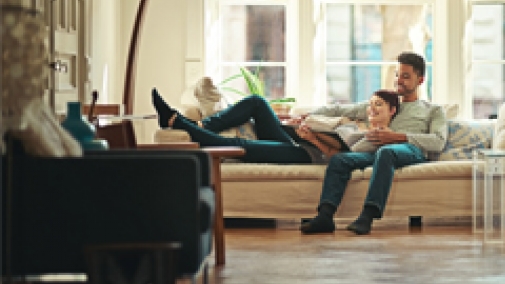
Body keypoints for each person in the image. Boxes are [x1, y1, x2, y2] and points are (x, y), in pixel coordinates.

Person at [300, 51, 448, 235]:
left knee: (386, 152)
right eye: (397, 74)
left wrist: (397, 137)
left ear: (421, 80)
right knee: (340, 160)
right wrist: (307, 115)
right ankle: (325, 216)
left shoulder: (432, 110)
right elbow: (339, 109)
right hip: (375, 153)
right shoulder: (384, 102)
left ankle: (367, 216)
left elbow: (438, 142)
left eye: (406, 76)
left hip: (410, 151)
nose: (398, 80)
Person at [151, 89, 324, 164]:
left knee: (241, 146)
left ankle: (177, 121)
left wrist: (315, 139)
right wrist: (297, 122)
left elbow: (336, 154)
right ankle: (202, 125)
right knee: (256, 102)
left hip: (309, 153)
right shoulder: (345, 114)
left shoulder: (351, 136)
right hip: (298, 138)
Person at [297, 89, 400, 155]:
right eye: (369, 104)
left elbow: (342, 157)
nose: (371, 108)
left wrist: (313, 139)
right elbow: (337, 109)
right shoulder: (358, 123)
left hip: (311, 151)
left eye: (378, 104)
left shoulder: (377, 136)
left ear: (392, 110)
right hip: (302, 142)